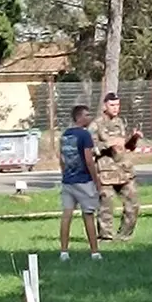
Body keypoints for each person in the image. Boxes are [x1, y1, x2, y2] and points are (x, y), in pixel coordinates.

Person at [92, 92, 140, 242]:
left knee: (133, 203)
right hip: (106, 172)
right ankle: (105, 236)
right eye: (112, 105)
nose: (115, 108)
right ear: (105, 106)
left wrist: (134, 139)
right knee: (106, 206)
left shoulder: (120, 122)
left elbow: (125, 146)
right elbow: (91, 149)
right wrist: (107, 144)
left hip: (124, 170)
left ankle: (124, 235)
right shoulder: (96, 125)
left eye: (117, 105)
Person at [56, 105, 101, 262]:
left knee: (66, 215)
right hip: (84, 181)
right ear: (79, 117)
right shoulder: (84, 135)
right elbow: (89, 159)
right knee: (88, 214)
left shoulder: (64, 135)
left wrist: (64, 174)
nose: (89, 118)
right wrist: (96, 180)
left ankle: (64, 251)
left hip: (68, 181)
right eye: (87, 115)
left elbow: (61, 158)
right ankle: (94, 252)